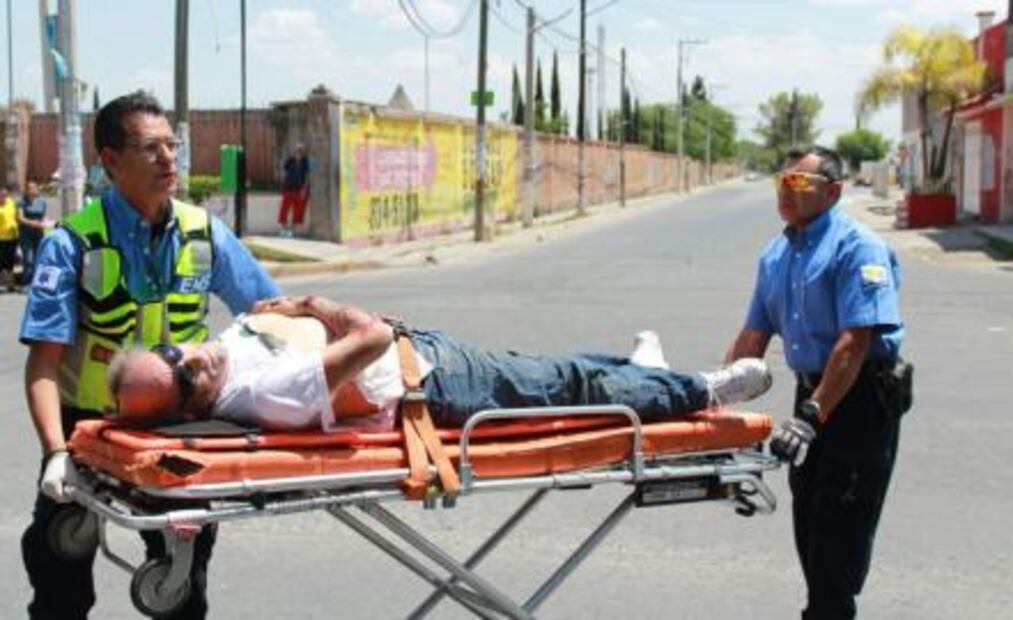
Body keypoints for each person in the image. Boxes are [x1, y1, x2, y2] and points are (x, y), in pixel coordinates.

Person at [19, 91, 281, 619]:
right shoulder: (72, 245)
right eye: (150, 148)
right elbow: (43, 365)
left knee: (183, 579)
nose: (169, 159)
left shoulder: (205, 233)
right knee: (58, 572)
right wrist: (55, 453)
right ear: (110, 161)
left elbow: (269, 315)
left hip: (179, 428)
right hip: (88, 432)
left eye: (172, 145)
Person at [106, 295, 773, 431]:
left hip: (425, 353)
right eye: (182, 376)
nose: (189, 358)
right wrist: (314, 303)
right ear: (192, 405)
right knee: (569, 385)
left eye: (174, 351)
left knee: (560, 371)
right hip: (437, 383)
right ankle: (697, 389)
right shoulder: (264, 393)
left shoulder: (227, 349)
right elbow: (368, 335)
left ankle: (647, 374)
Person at [725, 145, 909, 619]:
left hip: (859, 399)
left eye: (800, 183)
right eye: (782, 181)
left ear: (832, 192)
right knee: (808, 522)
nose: (788, 190)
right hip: (813, 396)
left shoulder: (857, 246)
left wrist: (812, 415)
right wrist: (712, 400)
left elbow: (856, 341)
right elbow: (752, 336)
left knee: (838, 537)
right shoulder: (777, 255)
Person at [17, 181, 52, 287]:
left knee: (39, 258)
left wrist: (46, 222)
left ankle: (36, 283)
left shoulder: (42, 202)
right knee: (28, 259)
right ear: (26, 190)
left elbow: (44, 216)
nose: (31, 190)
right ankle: (26, 282)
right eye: (29, 188)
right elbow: (20, 218)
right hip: (26, 234)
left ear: (37, 189)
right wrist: (34, 223)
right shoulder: (22, 202)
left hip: (38, 234)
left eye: (33, 188)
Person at [277, 144, 309, 237]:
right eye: (297, 150)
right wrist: (283, 186)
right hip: (288, 188)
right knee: (284, 209)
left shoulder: (305, 162)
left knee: (297, 210)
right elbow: (285, 172)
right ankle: (283, 228)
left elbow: (307, 176)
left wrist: (304, 188)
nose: (298, 152)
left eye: (300, 150)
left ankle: (292, 230)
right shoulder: (290, 160)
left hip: (299, 189)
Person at [0, 185, 19, 292]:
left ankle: (11, 284)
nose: (3, 197)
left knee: (10, 261)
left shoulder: (11, 203)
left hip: (12, 237)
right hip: (1, 238)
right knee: (1, 261)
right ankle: (2, 284)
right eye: (1, 195)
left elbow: (16, 216)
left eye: (5, 195)